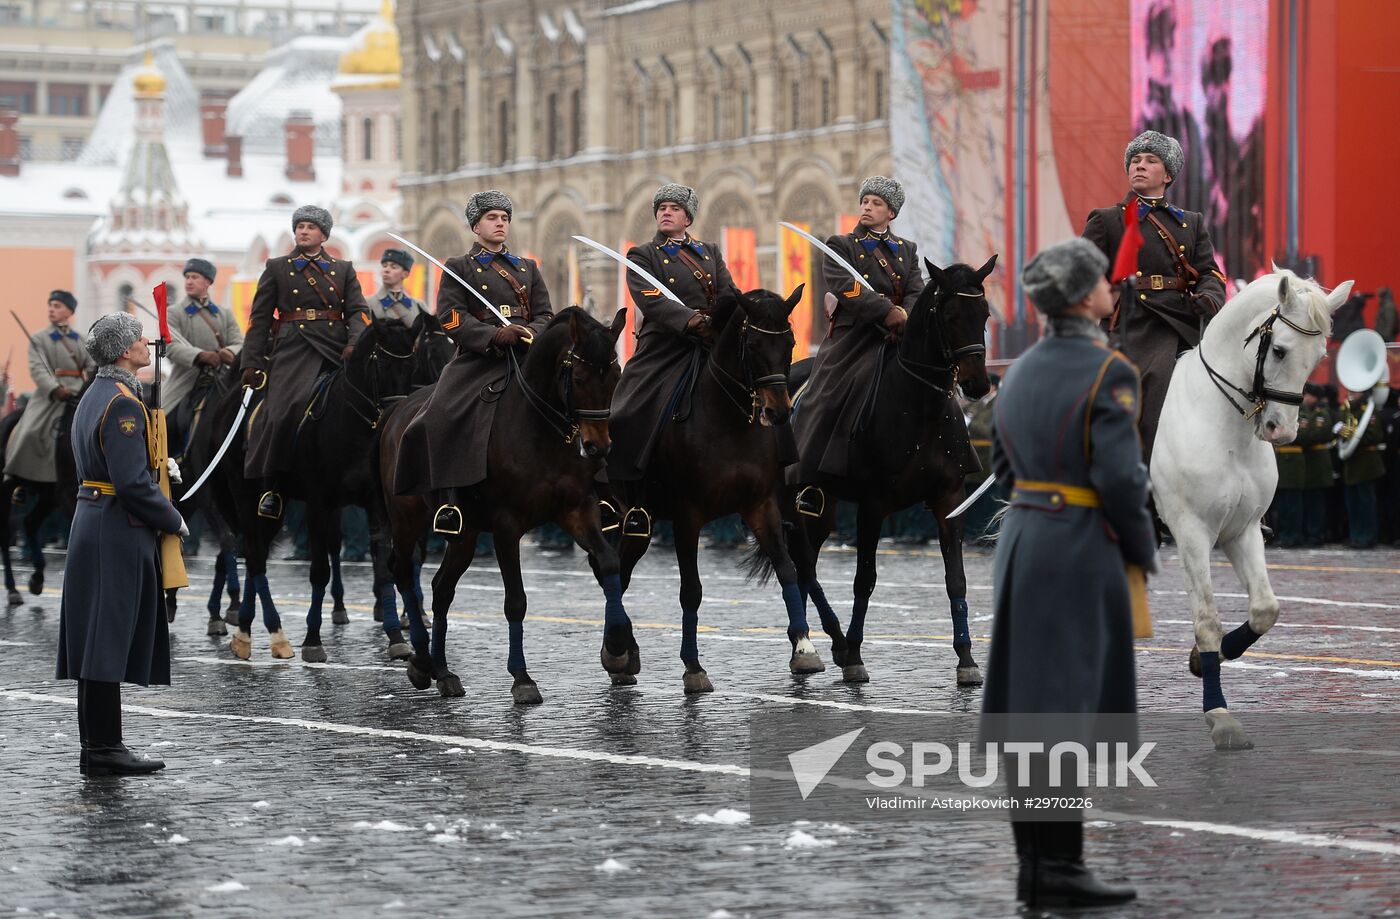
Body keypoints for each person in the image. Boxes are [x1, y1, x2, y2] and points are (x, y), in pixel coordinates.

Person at [982, 237, 1155, 908]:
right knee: (1067, 711)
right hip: (1077, 548)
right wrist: (1141, 547)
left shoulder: (1018, 371)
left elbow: (1001, 469)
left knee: (1032, 709)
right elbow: (1120, 478)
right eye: (1105, 282)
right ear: (1085, 297)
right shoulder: (1108, 370)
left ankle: (1037, 865)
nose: (1113, 289)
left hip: (1023, 541)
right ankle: (1061, 866)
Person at [56, 313, 187, 776]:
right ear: (121, 350)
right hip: (117, 525)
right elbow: (131, 483)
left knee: (95, 641)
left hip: (92, 518)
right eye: (136, 339)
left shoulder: (96, 395)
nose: (143, 343)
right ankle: (106, 747)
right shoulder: (123, 403)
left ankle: (97, 746)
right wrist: (171, 517)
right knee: (107, 638)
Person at [392, 190, 554, 538]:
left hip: (525, 355)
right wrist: (493, 336)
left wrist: (528, 331)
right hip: (480, 360)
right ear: (476, 225)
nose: (500, 223)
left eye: (505, 218)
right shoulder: (460, 267)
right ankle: (449, 499)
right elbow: (449, 318)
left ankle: (596, 491)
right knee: (441, 415)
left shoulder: (527, 268)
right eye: (493, 218)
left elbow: (546, 314)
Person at [786, 176, 929, 516]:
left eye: (876, 203)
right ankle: (810, 481)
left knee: (936, 391)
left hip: (900, 336)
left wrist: (905, 315)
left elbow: (916, 288)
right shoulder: (841, 244)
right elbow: (845, 287)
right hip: (854, 337)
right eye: (865, 201)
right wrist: (886, 311)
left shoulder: (906, 249)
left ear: (891, 212)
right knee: (824, 397)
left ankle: (937, 472)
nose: (867, 207)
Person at [1083, 129, 1227, 464]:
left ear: (1168, 174)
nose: (1140, 166)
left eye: (1150, 160)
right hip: (1128, 326)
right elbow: (1081, 275)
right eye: (1135, 160)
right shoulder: (1107, 220)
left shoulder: (1191, 223)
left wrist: (1209, 297)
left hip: (1181, 322)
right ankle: (1139, 470)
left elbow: (1210, 273)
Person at [606, 183, 740, 537]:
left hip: (712, 343)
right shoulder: (643, 255)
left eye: (674, 208)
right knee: (627, 410)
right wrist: (692, 320)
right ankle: (627, 492)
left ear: (688, 217)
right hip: (665, 347)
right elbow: (651, 300)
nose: (666, 212)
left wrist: (729, 319)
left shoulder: (709, 252)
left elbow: (728, 292)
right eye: (661, 208)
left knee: (762, 392)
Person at [241, 205, 368, 519]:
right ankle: (275, 486)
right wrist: (252, 362)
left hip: (335, 348)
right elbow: (259, 320)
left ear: (324, 234)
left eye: (311, 227)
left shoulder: (343, 269)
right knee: (281, 411)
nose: (303, 231)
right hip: (293, 348)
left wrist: (355, 344)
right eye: (299, 226)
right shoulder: (277, 268)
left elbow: (357, 313)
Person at [3, 290, 94, 492]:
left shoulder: (81, 339)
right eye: (50, 305)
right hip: (50, 395)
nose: (52, 309)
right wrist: (54, 389)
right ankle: (17, 476)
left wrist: (88, 390)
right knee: (31, 431)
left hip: (78, 392)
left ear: (69, 311)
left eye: (57, 306)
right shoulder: (39, 338)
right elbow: (37, 368)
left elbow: (91, 366)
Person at [165, 257, 242, 458]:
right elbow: (170, 346)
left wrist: (229, 353)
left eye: (195, 277)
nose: (189, 281)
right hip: (187, 382)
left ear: (208, 282)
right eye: (187, 277)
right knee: (165, 422)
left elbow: (239, 342)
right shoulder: (174, 313)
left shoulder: (224, 314)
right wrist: (200, 355)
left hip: (222, 378)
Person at [1272, 383, 1331, 547]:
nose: (1305, 398)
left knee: (1300, 505)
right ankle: (1288, 535)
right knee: (1286, 505)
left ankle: (1299, 535)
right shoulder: (1297, 413)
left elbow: (1305, 435)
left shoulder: (1311, 414)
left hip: (1297, 464)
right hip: (1284, 462)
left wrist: (1284, 434)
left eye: (1309, 395)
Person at [1338, 385, 1386, 548]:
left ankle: (1368, 537)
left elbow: (1376, 435)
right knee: (1353, 504)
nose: (1351, 394)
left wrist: (1353, 434)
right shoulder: (1347, 409)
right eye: (1350, 391)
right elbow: (1342, 433)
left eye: (1355, 392)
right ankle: (1356, 536)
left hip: (1366, 464)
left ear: (1363, 393)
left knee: (1366, 504)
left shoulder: (1369, 411)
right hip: (1351, 464)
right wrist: (1340, 431)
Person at [961, 372, 1002, 544]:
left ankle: (989, 535)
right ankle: (974, 534)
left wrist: (972, 422)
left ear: (992, 386)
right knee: (973, 503)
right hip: (972, 461)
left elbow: (990, 431)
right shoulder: (978, 405)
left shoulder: (998, 404)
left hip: (988, 463)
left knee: (988, 503)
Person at [371, 248, 429, 328]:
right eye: (384, 266)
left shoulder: (418, 306)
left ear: (405, 274)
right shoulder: (367, 304)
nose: (386, 270)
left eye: (393, 267)